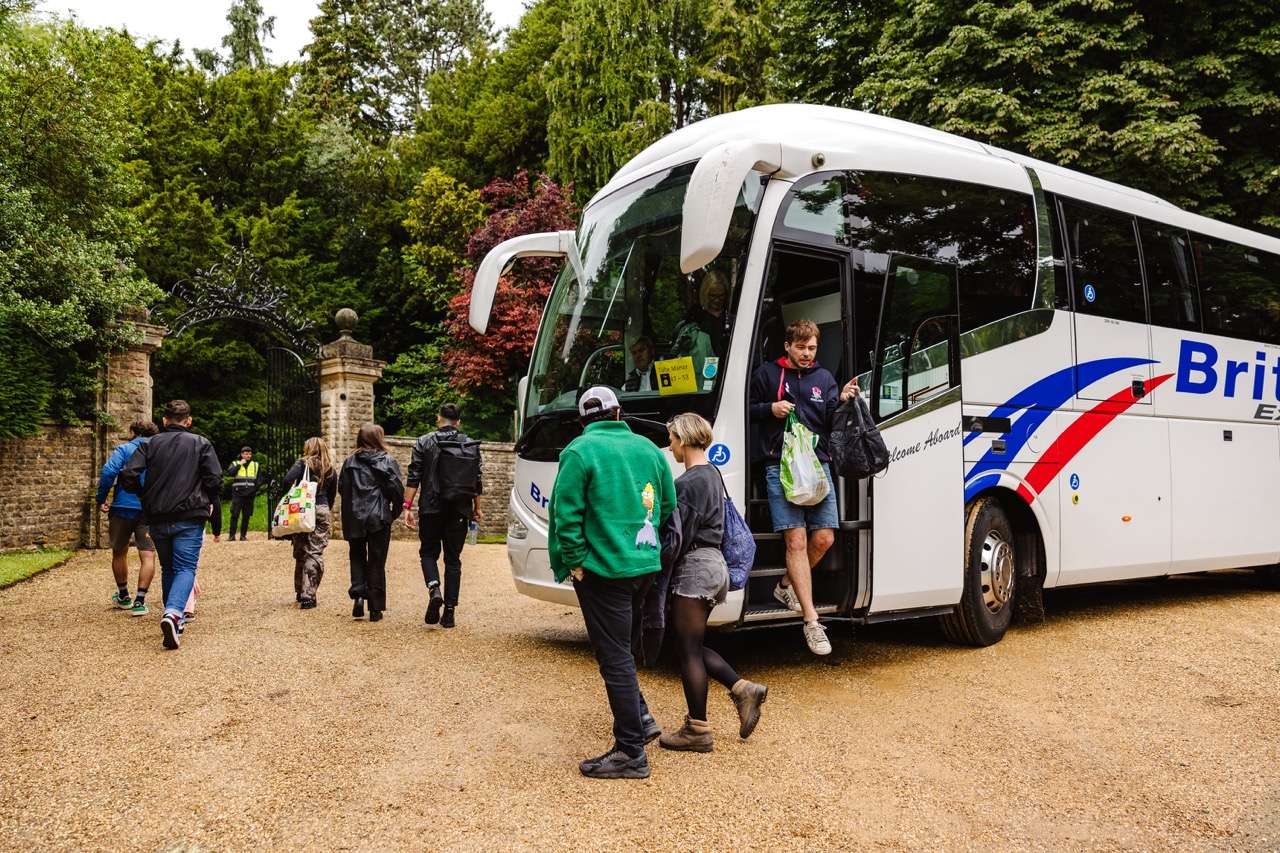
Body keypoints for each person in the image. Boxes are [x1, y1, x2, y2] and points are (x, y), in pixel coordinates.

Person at [548, 386, 676, 780]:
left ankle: (631, 752)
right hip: (643, 566)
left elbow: (565, 514)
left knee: (614, 656)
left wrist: (574, 561)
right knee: (623, 647)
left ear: (583, 419)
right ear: (618, 412)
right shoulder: (650, 449)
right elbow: (668, 505)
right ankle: (641, 717)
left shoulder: (579, 451)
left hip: (603, 570)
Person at [656, 413, 767, 752]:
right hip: (713, 565)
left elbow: (677, 539)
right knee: (690, 643)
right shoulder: (712, 474)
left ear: (684, 439)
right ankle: (742, 689)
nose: (670, 445)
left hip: (695, 568)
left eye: (672, 439)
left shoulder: (689, 482)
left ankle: (698, 730)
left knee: (687, 649)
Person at [748, 319, 858, 656]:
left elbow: (829, 420)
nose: (808, 354)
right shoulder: (766, 375)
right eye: (801, 348)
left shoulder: (824, 379)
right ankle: (812, 622)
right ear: (788, 346)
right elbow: (745, 410)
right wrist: (771, 408)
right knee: (795, 540)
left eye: (812, 348)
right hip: (778, 466)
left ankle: (785, 585)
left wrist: (840, 399)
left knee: (824, 537)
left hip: (817, 465)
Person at [119, 400, 222, 650]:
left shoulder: (149, 444)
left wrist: (144, 494)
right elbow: (215, 479)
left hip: (157, 515)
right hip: (189, 515)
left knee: (168, 568)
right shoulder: (200, 443)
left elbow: (127, 474)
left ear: (164, 421)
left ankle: (173, 618)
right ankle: (174, 613)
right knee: (186, 567)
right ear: (188, 421)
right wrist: (207, 497)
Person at [403, 404, 483, 629]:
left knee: (428, 553)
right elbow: (477, 480)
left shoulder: (423, 442)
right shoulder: (470, 444)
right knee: (453, 560)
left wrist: (407, 506)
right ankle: (449, 612)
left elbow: (414, 475)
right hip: (459, 509)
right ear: (458, 421)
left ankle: (434, 587)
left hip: (431, 507)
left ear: (439, 418)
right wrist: (477, 509)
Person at [339, 423, 404, 622]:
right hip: (378, 517)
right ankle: (375, 608)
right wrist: (394, 512)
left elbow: (342, 489)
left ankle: (358, 596)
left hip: (355, 517)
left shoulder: (349, 462)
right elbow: (397, 490)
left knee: (357, 555)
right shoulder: (387, 461)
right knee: (377, 560)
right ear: (378, 438)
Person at [95, 420, 159, 616]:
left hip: (123, 507)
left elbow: (108, 472)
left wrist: (101, 497)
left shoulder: (124, 449)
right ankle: (140, 601)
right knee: (148, 554)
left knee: (119, 552)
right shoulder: (158, 450)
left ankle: (124, 596)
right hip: (149, 509)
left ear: (133, 432)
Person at [280, 437, 337, 610]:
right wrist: (325, 509)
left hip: (302, 510)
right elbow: (332, 494)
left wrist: (290, 498)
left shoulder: (302, 464)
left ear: (308, 448)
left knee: (300, 550)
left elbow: (286, 480)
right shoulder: (330, 469)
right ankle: (308, 595)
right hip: (321, 508)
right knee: (315, 551)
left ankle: (299, 591)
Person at [225, 446, 263, 541]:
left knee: (246, 515)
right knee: (235, 514)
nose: (248, 455)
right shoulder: (235, 463)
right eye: (246, 454)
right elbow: (230, 473)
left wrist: (255, 489)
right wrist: (239, 465)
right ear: (242, 454)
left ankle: (243, 536)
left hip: (250, 494)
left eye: (249, 454)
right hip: (238, 493)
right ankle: (231, 536)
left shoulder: (255, 465)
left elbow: (259, 479)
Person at [691, 269, 730, 357]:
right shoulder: (696, 318)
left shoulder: (732, 318)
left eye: (721, 295)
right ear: (705, 294)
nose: (717, 300)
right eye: (713, 295)